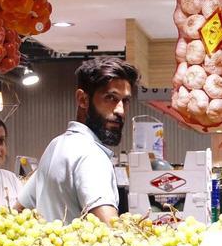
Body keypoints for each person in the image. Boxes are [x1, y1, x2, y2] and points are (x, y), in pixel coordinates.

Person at [18, 56, 138, 224]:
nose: (121, 111)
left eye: (125, 101)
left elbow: (18, 209)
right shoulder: (91, 156)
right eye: (110, 98)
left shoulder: (55, 146)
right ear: (83, 99)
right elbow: (112, 232)